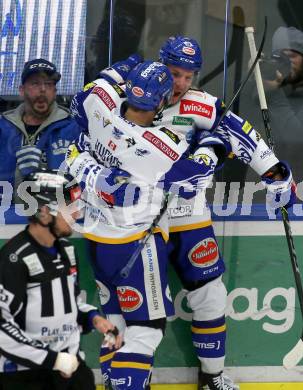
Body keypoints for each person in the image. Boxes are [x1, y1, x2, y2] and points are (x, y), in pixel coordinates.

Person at [97, 36, 296, 390]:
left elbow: (241, 135)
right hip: (137, 221)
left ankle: (212, 375)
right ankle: (126, 381)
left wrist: (276, 175)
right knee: (133, 310)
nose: (182, 84)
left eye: (189, 76)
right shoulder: (130, 95)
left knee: (210, 295)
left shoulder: (202, 105)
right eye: (175, 73)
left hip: (187, 215)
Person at [66, 60, 227, 390]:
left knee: (115, 323)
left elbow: (79, 109)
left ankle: (114, 383)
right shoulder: (158, 146)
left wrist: (114, 70)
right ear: (161, 100)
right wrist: (211, 148)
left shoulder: (99, 108)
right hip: (134, 243)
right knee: (147, 329)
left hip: (97, 239)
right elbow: (193, 179)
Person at [0, 169, 122, 390]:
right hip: (25, 376)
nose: (76, 214)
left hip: (71, 369)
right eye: (71, 207)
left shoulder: (66, 250)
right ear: (44, 212)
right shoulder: (13, 259)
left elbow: (69, 302)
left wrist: (94, 318)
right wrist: (53, 360)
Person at [0, 58, 81, 203]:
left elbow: (82, 185)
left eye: (49, 84)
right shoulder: (2, 127)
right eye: (35, 83)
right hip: (6, 219)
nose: (43, 89)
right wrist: (17, 174)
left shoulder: (74, 128)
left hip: (54, 219)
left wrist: (44, 176)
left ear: (55, 91)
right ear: (22, 90)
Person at [259, 26, 303, 182]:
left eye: (292, 56)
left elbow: (296, 139)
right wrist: (253, 78)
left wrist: (274, 92)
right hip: (258, 192)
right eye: (280, 57)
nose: (286, 62)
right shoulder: (260, 87)